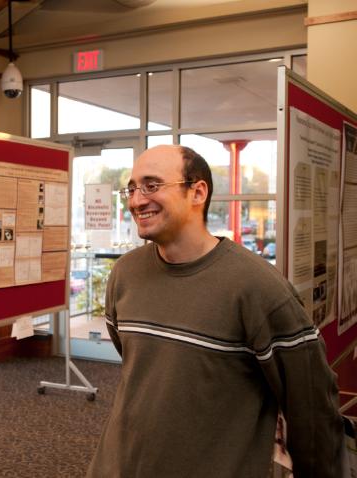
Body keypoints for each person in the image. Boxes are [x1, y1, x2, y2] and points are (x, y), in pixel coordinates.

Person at [87, 145, 343, 477]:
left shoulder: (259, 288)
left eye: (151, 185)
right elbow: (140, 368)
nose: (136, 200)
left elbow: (311, 408)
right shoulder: (125, 274)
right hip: (117, 466)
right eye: (132, 188)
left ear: (197, 191)